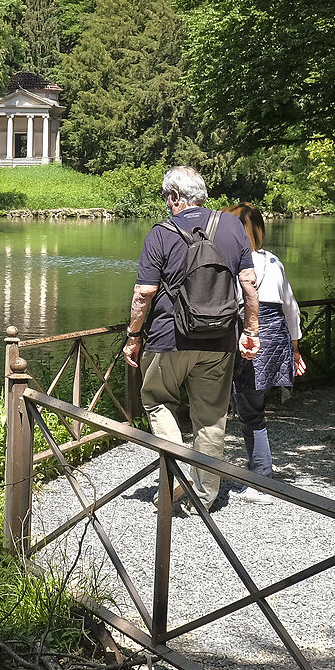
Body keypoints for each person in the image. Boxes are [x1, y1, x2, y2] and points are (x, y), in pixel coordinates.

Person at [122, 167, 261, 511]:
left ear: (174, 197)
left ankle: (175, 474)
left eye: (165, 197)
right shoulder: (232, 226)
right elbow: (249, 282)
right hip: (220, 339)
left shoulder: (161, 232)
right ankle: (204, 496)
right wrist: (251, 330)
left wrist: (133, 336)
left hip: (168, 337)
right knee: (211, 418)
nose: (166, 203)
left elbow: (144, 294)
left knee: (156, 400)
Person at [227, 204, 307, 476]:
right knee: (254, 404)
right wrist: (294, 348)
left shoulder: (234, 262)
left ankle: (262, 474)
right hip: (277, 336)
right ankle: (258, 467)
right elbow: (291, 307)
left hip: (250, 335)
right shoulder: (274, 261)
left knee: (249, 409)